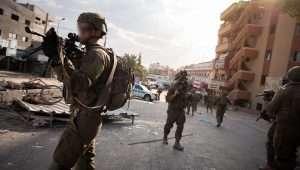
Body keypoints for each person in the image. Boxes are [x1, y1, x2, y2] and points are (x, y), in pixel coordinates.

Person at [45, 12, 111, 170]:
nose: (79, 32)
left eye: (82, 28)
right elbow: (78, 74)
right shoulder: (92, 53)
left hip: (84, 120)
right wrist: (70, 55)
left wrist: (56, 59)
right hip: (86, 117)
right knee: (85, 164)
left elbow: (78, 83)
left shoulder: (97, 55)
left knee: (59, 164)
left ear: (95, 31)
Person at [265, 66, 300, 170]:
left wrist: (268, 100)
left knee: (283, 157)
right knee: (291, 152)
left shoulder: (284, 89)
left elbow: (271, 110)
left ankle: (271, 166)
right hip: (297, 129)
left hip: (284, 128)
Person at [163, 70, 189, 151]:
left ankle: (177, 143)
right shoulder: (173, 86)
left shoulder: (186, 89)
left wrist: (189, 96)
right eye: (182, 79)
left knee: (180, 126)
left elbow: (187, 100)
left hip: (181, 110)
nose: (184, 81)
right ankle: (165, 137)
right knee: (169, 125)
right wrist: (175, 94)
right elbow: (167, 99)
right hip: (172, 110)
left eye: (185, 79)